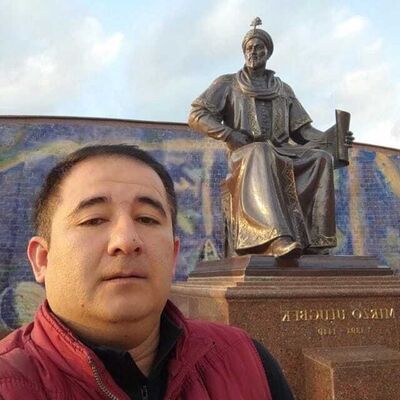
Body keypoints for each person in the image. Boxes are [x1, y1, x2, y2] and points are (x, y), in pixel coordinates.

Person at [0, 144, 294, 399]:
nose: (126, 241)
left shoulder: (246, 361)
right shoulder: (9, 385)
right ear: (42, 259)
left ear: (174, 255)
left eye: (147, 219)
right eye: (93, 220)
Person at [188, 19, 354, 258]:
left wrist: (336, 138)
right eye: (249, 48)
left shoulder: (283, 89)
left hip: (282, 151)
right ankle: (275, 238)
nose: (253, 52)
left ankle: (317, 241)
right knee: (260, 151)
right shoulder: (228, 83)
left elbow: (304, 132)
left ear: (268, 52)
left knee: (320, 158)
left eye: (258, 48)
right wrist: (229, 134)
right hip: (246, 153)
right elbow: (197, 115)